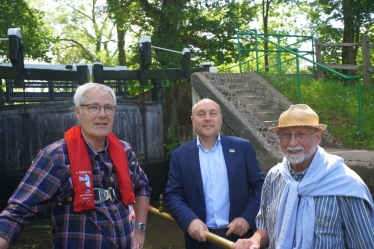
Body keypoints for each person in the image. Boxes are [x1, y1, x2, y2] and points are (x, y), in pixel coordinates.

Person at [0, 83, 152, 249]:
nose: (102, 115)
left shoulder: (124, 151)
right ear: (78, 112)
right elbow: (16, 213)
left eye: (108, 108)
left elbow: (142, 187)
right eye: (93, 107)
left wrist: (140, 230)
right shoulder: (55, 157)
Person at [234, 104, 374, 249]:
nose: (293, 143)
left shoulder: (347, 185)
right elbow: (266, 226)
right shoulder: (274, 177)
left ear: (318, 137)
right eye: (286, 135)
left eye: (301, 134)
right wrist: (255, 240)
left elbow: (363, 244)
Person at [164, 98, 265, 249]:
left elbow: (261, 186)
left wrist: (247, 218)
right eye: (201, 114)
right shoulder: (180, 155)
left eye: (213, 113)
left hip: (240, 238)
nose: (208, 119)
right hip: (199, 239)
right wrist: (190, 220)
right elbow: (173, 195)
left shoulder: (242, 148)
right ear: (193, 120)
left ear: (221, 119)